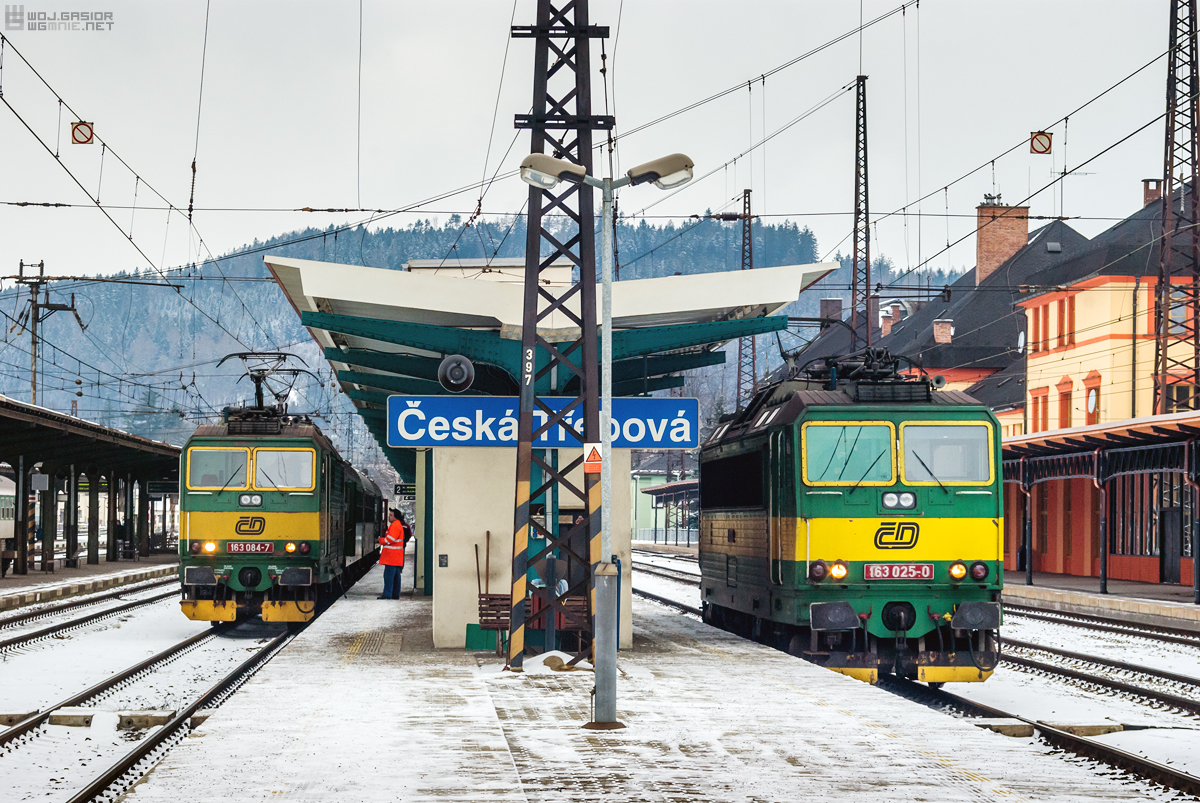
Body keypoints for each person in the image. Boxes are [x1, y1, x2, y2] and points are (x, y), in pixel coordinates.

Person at [377, 509, 408, 599]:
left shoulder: (395, 525)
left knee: (388, 577)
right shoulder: (397, 525)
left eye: (391, 515)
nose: (389, 517)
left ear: (395, 517)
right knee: (396, 577)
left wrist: (380, 540)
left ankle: (387, 594)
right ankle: (395, 594)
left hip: (391, 557)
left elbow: (390, 539)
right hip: (396, 557)